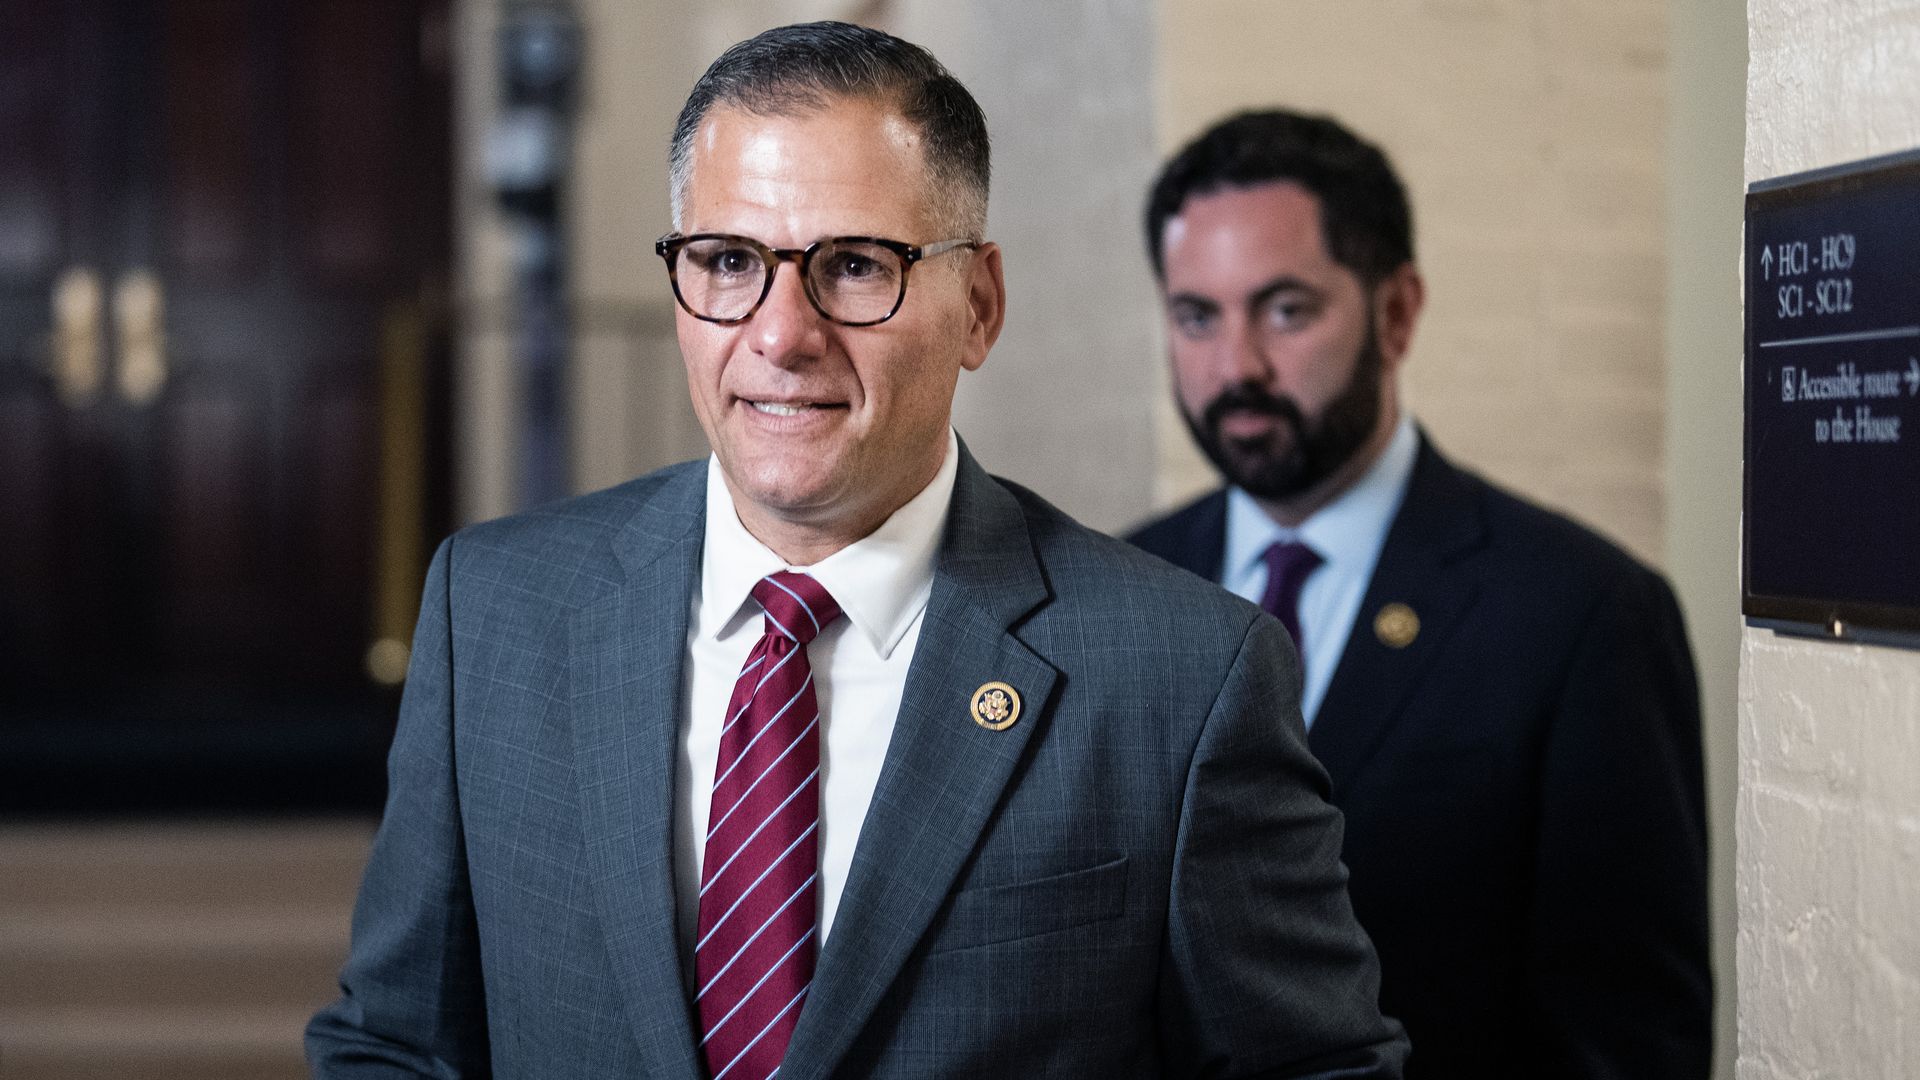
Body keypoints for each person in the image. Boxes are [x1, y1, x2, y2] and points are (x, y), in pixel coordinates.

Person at [307, 26, 1407, 1080]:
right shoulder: (492, 612)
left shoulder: (1183, 678)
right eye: (730, 259)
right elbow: (400, 1046)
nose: (781, 334)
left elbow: (1312, 1068)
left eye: (854, 265)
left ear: (978, 306)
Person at [1127, 110, 1711, 1080]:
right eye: (1197, 316)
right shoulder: (1120, 591)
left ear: (1396, 313)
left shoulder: (1583, 614)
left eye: (1285, 310)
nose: (1237, 368)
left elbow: (1632, 1040)